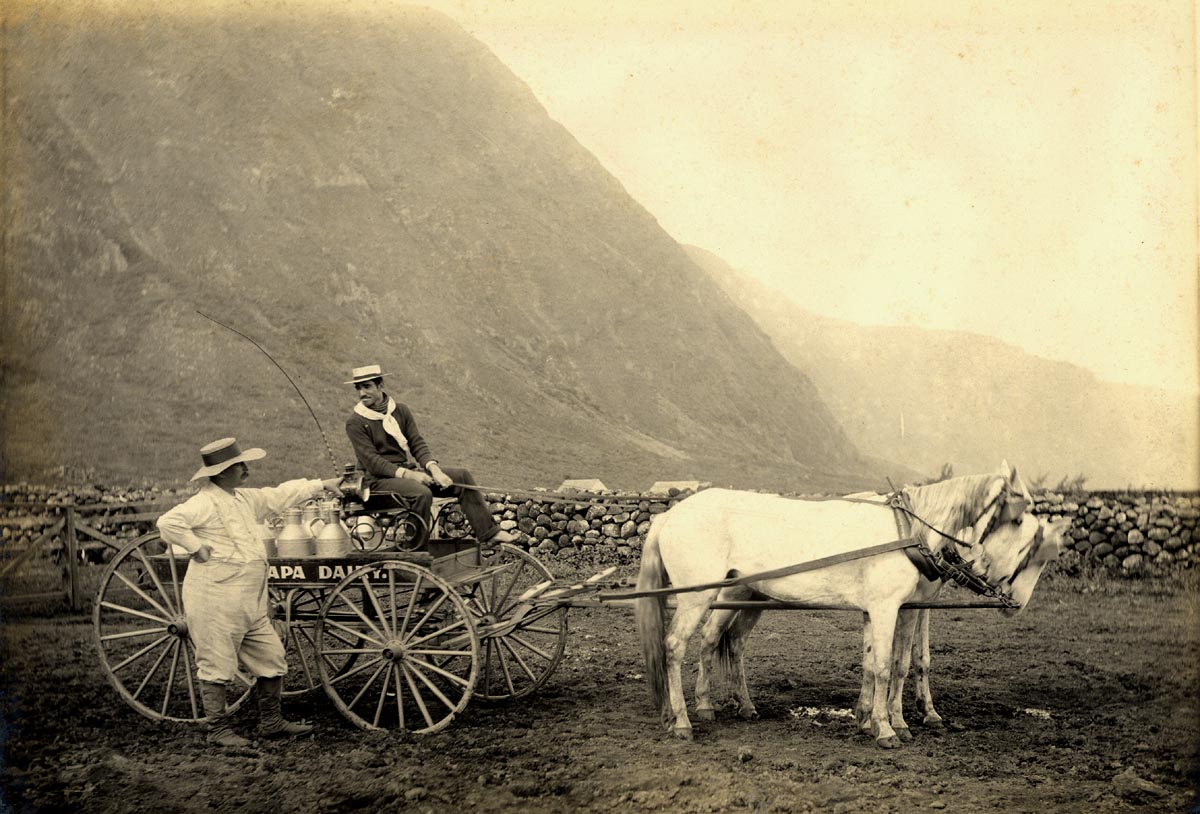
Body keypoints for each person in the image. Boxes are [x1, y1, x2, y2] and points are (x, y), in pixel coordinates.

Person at [156, 438, 344, 747]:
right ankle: (217, 730)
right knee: (217, 663)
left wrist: (321, 484)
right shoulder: (203, 502)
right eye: (240, 465)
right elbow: (168, 523)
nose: (246, 469)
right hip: (215, 598)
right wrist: (197, 548)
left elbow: (279, 495)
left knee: (271, 656)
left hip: (250, 600)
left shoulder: (244, 499)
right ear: (222, 471)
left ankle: (271, 722)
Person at [343, 364, 518, 548]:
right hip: (375, 482)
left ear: (380, 385)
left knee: (461, 476)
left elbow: (417, 444)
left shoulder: (400, 411)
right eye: (359, 388)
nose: (362, 393)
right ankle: (416, 551)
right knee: (421, 493)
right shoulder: (355, 422)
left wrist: (435, 471)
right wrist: (412, 475)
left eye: (367, 386)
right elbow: (373, 463)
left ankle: (489, 533)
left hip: (403, 476)